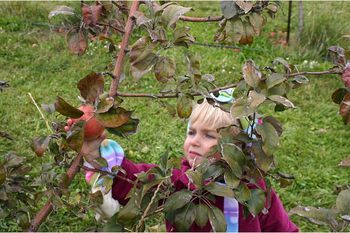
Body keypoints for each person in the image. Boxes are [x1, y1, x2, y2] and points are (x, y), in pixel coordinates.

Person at [67, 97, 298, 232]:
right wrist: (97, 155)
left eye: (209, 136)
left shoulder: (256, 190)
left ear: (237, 149)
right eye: (191, 132)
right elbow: (136, 180)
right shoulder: (179, 183)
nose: (195, 141)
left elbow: (281, 228)